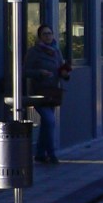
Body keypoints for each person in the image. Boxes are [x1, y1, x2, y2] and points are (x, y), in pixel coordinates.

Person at [24, 24, 70, 164]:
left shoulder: (56, 51)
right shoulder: (34, 52)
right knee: (50, 121)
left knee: (46, 123)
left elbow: (62, 68)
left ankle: (39, 153)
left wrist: (64, 73)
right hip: (39, 92)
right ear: (40, 36)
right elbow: (25, 71)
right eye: (45, 34)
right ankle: (51, 153)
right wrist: (39, 73)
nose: (48, 36)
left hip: (53, 92)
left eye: (50, 33)